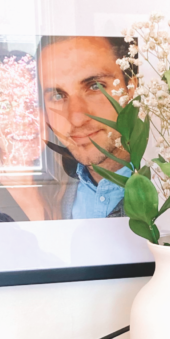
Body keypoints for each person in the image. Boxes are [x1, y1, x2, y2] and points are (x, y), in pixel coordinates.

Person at [38, 36, 133, 220]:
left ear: (131, 89)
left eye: (95, 86)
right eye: (57, 96)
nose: (77, 118)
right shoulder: (50, 198)